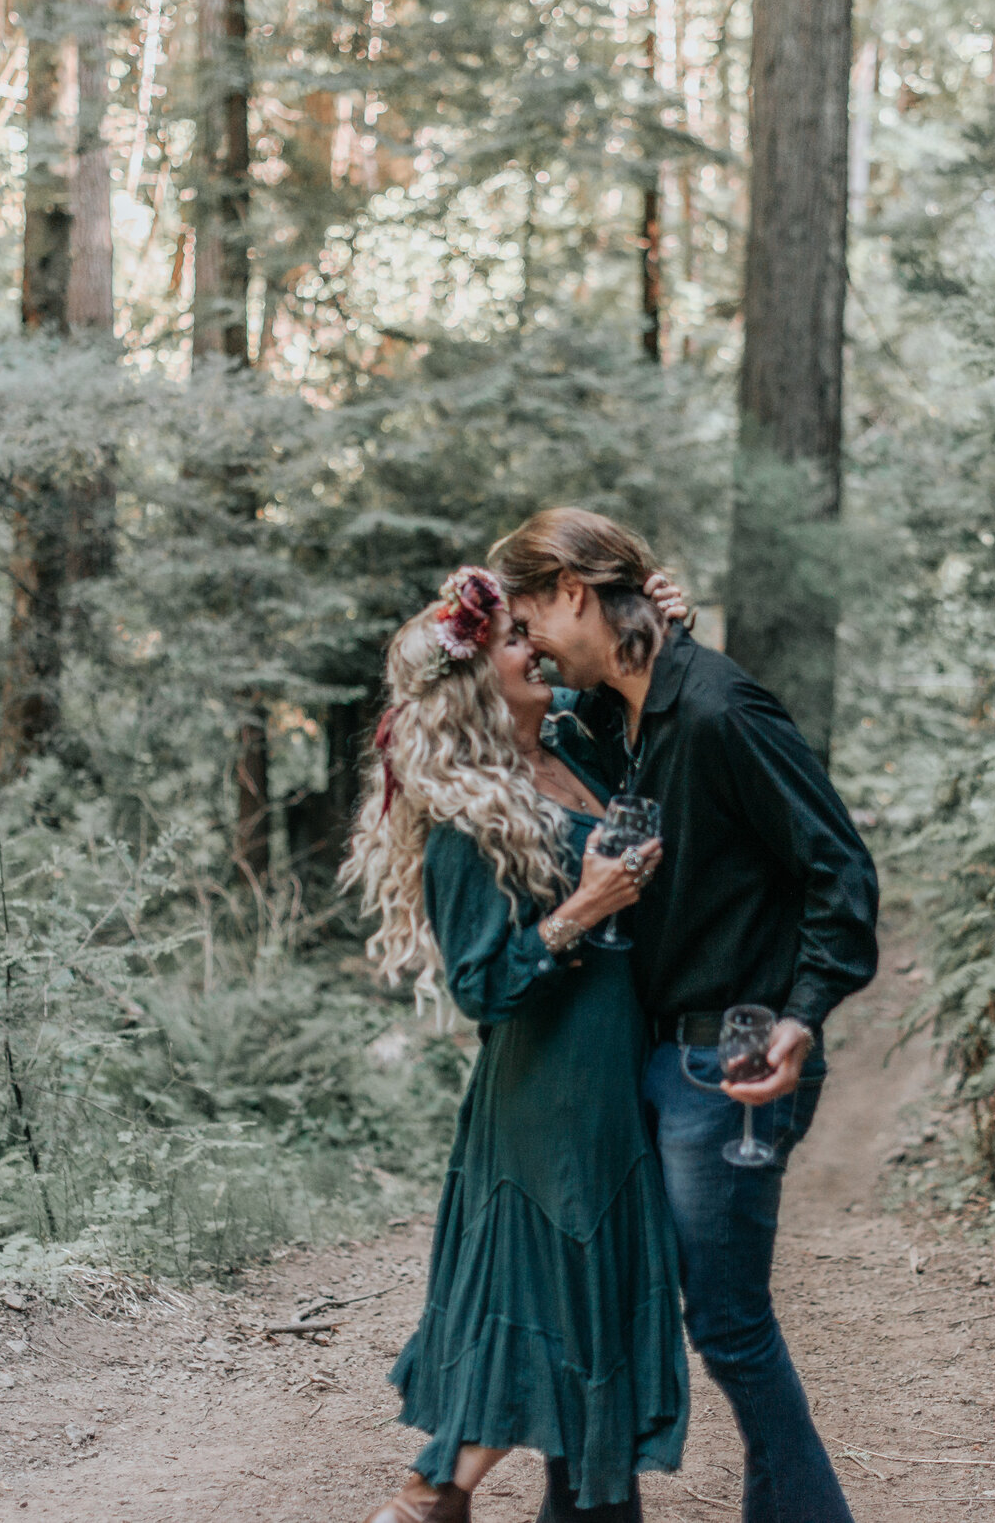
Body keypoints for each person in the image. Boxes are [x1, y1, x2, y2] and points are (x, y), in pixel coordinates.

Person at [492, 509, 881, 1523]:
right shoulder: (633, 715)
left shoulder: (718, 710)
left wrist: (799, 1016)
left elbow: (839, 870)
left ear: (576, 592)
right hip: (660, 1061)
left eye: (532, 619)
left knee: (729, 1322)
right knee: (624, 1300)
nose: (527, 645)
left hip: (731, 1061)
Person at [342, 566, 688, 1523]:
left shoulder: (576, 743)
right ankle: (430, 1491)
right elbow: (483, 984)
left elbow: (656, 718)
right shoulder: (467, 816)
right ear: (474, 685)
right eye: (508, 642)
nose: (531, 645)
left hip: (618, 1065)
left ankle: (449, 1494)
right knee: (570, 1307)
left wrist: (656, 628)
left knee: (596, 1312)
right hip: (549, 1089)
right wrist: (582, 908)